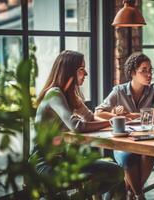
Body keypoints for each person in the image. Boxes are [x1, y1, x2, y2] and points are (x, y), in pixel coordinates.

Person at [30, 50, 125, 198]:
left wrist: (115, 122)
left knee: (117, 172)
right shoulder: (54, 93)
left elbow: (90, 118)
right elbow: (77, 126)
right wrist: (111, 123)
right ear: (69, 71)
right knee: (91, 180)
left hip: (65, 159)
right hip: (44, 163)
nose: (86, 74)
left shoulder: (71, 95)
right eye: (81, 69)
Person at [95, 52, 154, 199]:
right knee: (127, 158)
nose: (149, 74)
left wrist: (136, 115)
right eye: (144, 70)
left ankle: (132, 192)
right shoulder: (119, 90)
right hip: (124, 142)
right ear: (133, 73)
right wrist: (117, 116)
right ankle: (139, 194)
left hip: (147, 139)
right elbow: (99, 112)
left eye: (150, 70)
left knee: (149, 153)